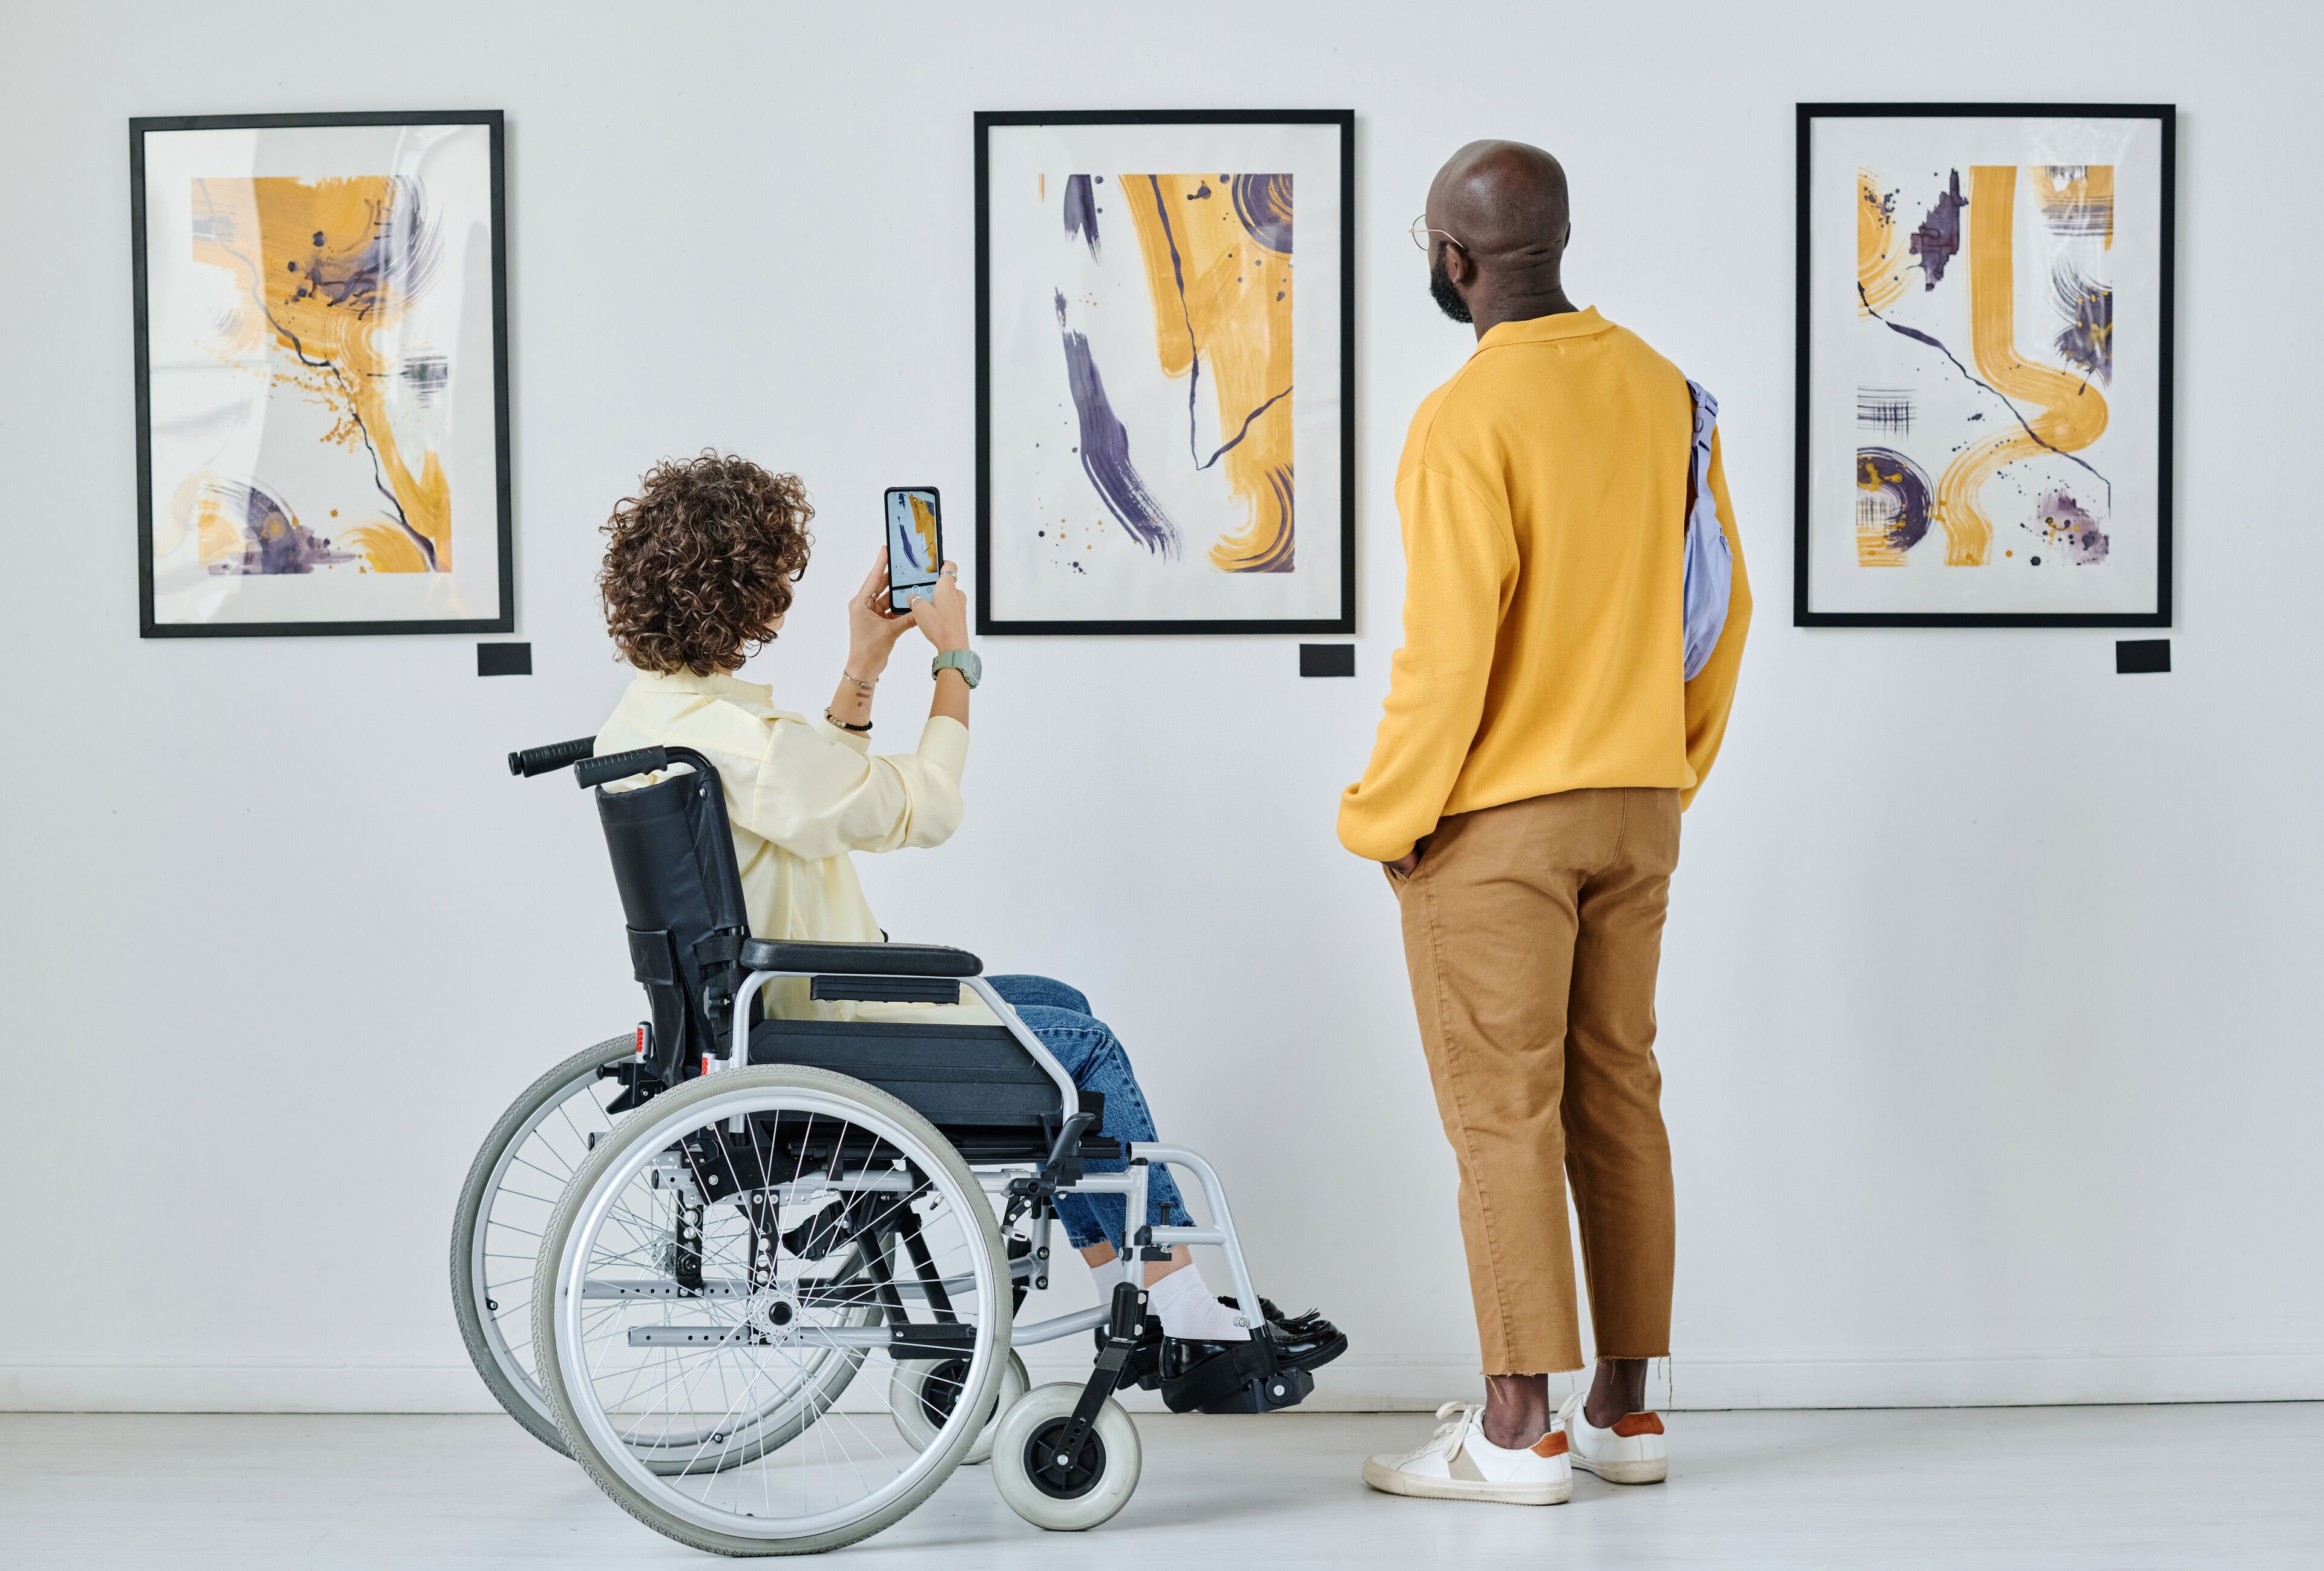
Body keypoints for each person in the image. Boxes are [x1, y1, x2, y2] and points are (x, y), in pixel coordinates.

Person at [589, 450, 1282, 1345]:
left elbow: (815, 793)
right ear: (754, 595)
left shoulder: (651, 721)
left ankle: (1134, 1286)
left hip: (758, 1017)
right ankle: (1179, 1301)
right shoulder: (750, 747)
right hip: (825, 1031)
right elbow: (925, 806)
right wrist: (953, 658)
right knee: (1084, 1048)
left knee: (1057, 1008)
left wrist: (864, 664)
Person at [1345, 142, 1751, 1506]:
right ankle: (1627, 1413)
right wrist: (1667, 762)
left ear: (1455, 260)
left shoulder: (1464, 419)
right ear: (1556, 244)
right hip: (1640, 804)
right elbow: (1722, 606)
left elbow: (1446, 658)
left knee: (1501, 1111)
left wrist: (1388, 815)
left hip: (1500, 821)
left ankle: (1517, 1428)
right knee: (1618, 1093)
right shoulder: (1665, 391)